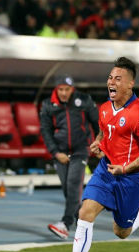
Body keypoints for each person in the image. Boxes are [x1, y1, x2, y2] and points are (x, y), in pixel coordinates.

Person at [54, 57, 139, 252]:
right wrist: (98, 144)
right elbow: (105, 133)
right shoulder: (104, 108)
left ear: (130, 84)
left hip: (131, 178)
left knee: (122, 232)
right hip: (106, 170)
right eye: (110, 77)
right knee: (85, 211)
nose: (111, 82)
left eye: (118, 78)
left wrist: (126, 168)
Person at [40, 75, 99, 240]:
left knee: (73, 186)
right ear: (56, 89)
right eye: (61, 89)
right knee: (68, 190)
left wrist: (100, 143)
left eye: (67, 89)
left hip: (80, 150)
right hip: (60, 152)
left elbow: (97, 123)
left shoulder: (84, 100)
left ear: (72, 89)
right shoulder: (47, 105)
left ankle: (65, 224)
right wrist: (55, 153)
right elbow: (45, 131)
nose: (64, 93)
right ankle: (83, 220)